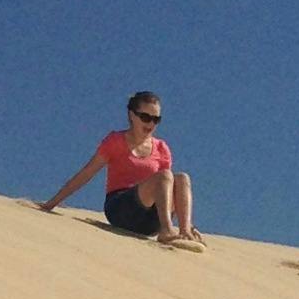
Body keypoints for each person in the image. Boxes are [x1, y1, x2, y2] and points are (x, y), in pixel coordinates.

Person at [37, 91, 204, 244]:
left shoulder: (161, 148)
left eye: (156, 119)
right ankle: (166, 231)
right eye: (145, 117)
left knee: (182, 178)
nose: (151, 124)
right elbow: (87, 172)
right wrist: (52, 203)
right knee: (165, 176)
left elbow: (169, 192)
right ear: (132, 115)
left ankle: (185, 231)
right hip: (121, 210)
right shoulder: (115, 141)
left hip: (149, 221)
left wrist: (186, 220)